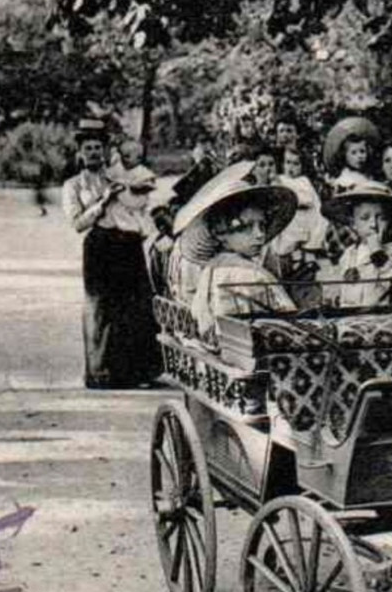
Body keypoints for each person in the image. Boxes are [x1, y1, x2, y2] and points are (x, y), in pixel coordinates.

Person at [63, 119, 158, 389]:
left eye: (98, 147)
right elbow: (77, 223)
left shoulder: (123, 175)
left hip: (128, 244)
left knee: (135, 305)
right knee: (101, 307)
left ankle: (137, 373)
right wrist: (102, 201)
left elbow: (142, 202)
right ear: (80, 153)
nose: (93, 152)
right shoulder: (73, 185)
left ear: (106, 151)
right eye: (88, 148)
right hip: (99, 245)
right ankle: (101, 373)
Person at [169, 168, 299, 331]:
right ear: (221, 233)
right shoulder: (252, 275)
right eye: (246, 227)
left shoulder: (212, 268)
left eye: (262, 225)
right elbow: (292, 324)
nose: (260, 235)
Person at [317, 181, 392, 309]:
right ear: (353, 223)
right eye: (365, 218)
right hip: (350, 318)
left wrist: (379, 256)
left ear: (389, 222)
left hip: (382, 319)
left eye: (381, 218)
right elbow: (342, 287)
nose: (373, 224)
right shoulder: (348, 254)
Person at [323, 116, 382, 194]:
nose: (359, 156)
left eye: (362, 151)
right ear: (345, 156)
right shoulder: (344, 180)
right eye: (354, 153)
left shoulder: (368, 176)